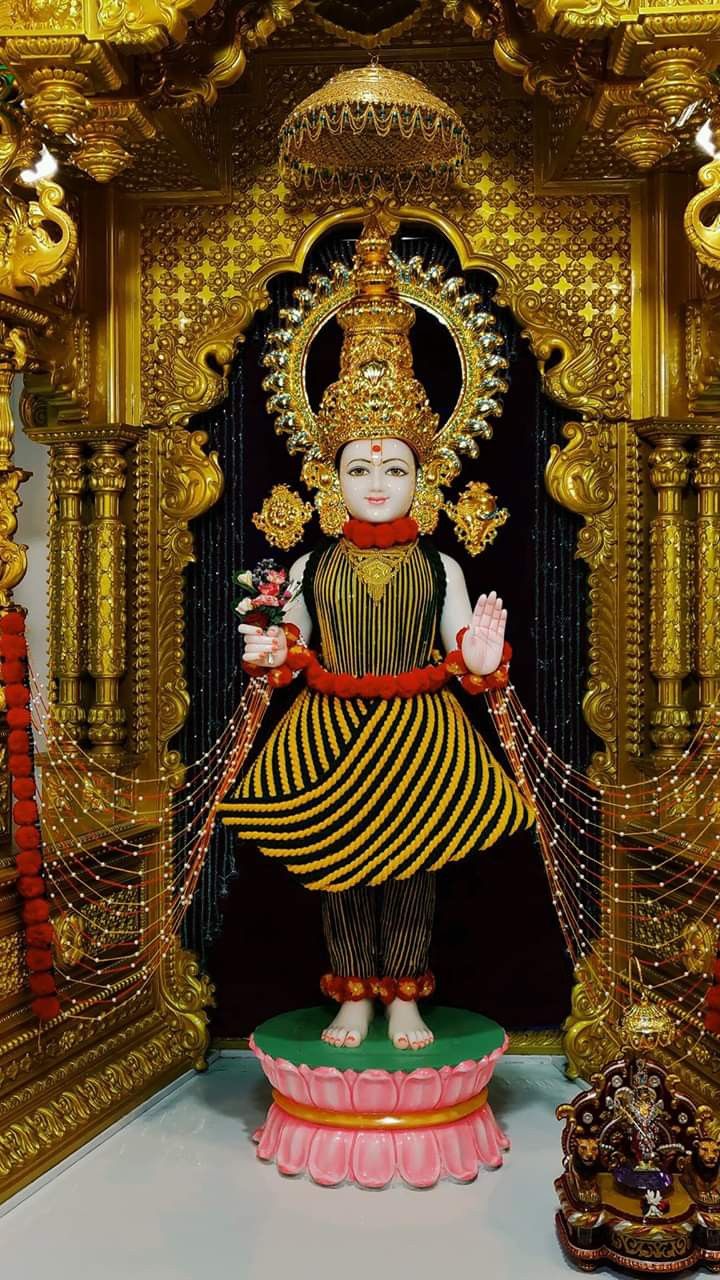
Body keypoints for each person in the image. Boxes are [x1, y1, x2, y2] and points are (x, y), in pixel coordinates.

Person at [219, 219, 534, 1051]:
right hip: (328, 730)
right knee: (340, 871)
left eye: (395, 467)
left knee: (411, 871)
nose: (377, 483)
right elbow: (287, 635)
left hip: (420, 733)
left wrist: (478, 657)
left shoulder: (441, 566)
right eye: (360, 467)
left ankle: (404, 993)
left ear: (424, 477)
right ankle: (352, 991)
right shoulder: (313, 564)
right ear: (331, 478)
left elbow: (469, 641)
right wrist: (269, 648)